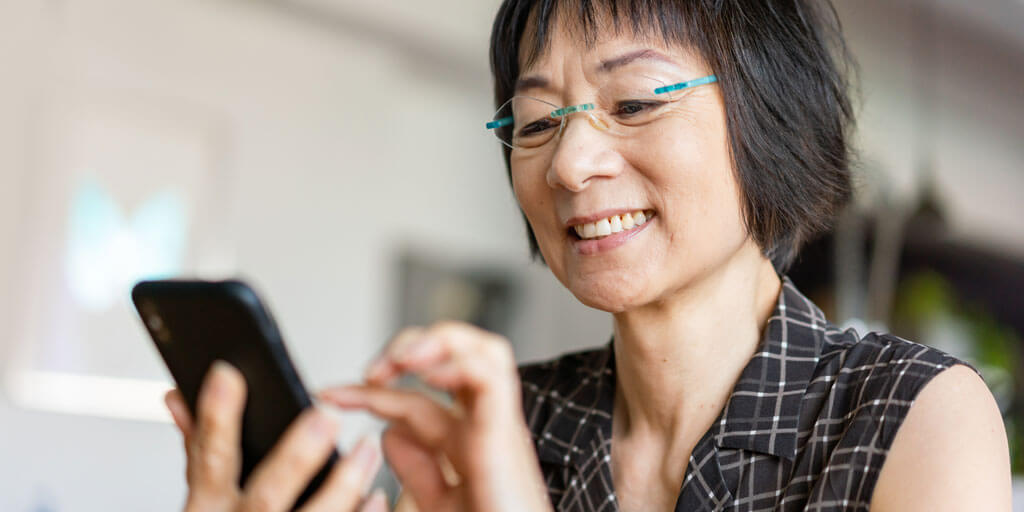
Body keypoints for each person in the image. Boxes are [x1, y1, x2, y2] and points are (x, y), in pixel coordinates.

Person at [163, 0, 1013, 510]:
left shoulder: (912, 412)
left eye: (635, 101)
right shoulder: (509, 424)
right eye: (535, 123)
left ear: (771, 116)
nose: (569, 166)